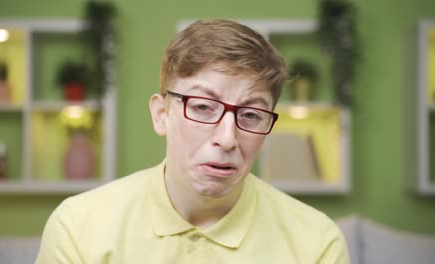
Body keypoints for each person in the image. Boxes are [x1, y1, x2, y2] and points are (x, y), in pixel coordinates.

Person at [35, 19, 350, 263]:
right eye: (202, 107)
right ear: (161, 115)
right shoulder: (78, 227)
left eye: (251, 115)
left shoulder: (317, 243)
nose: (227, 139)